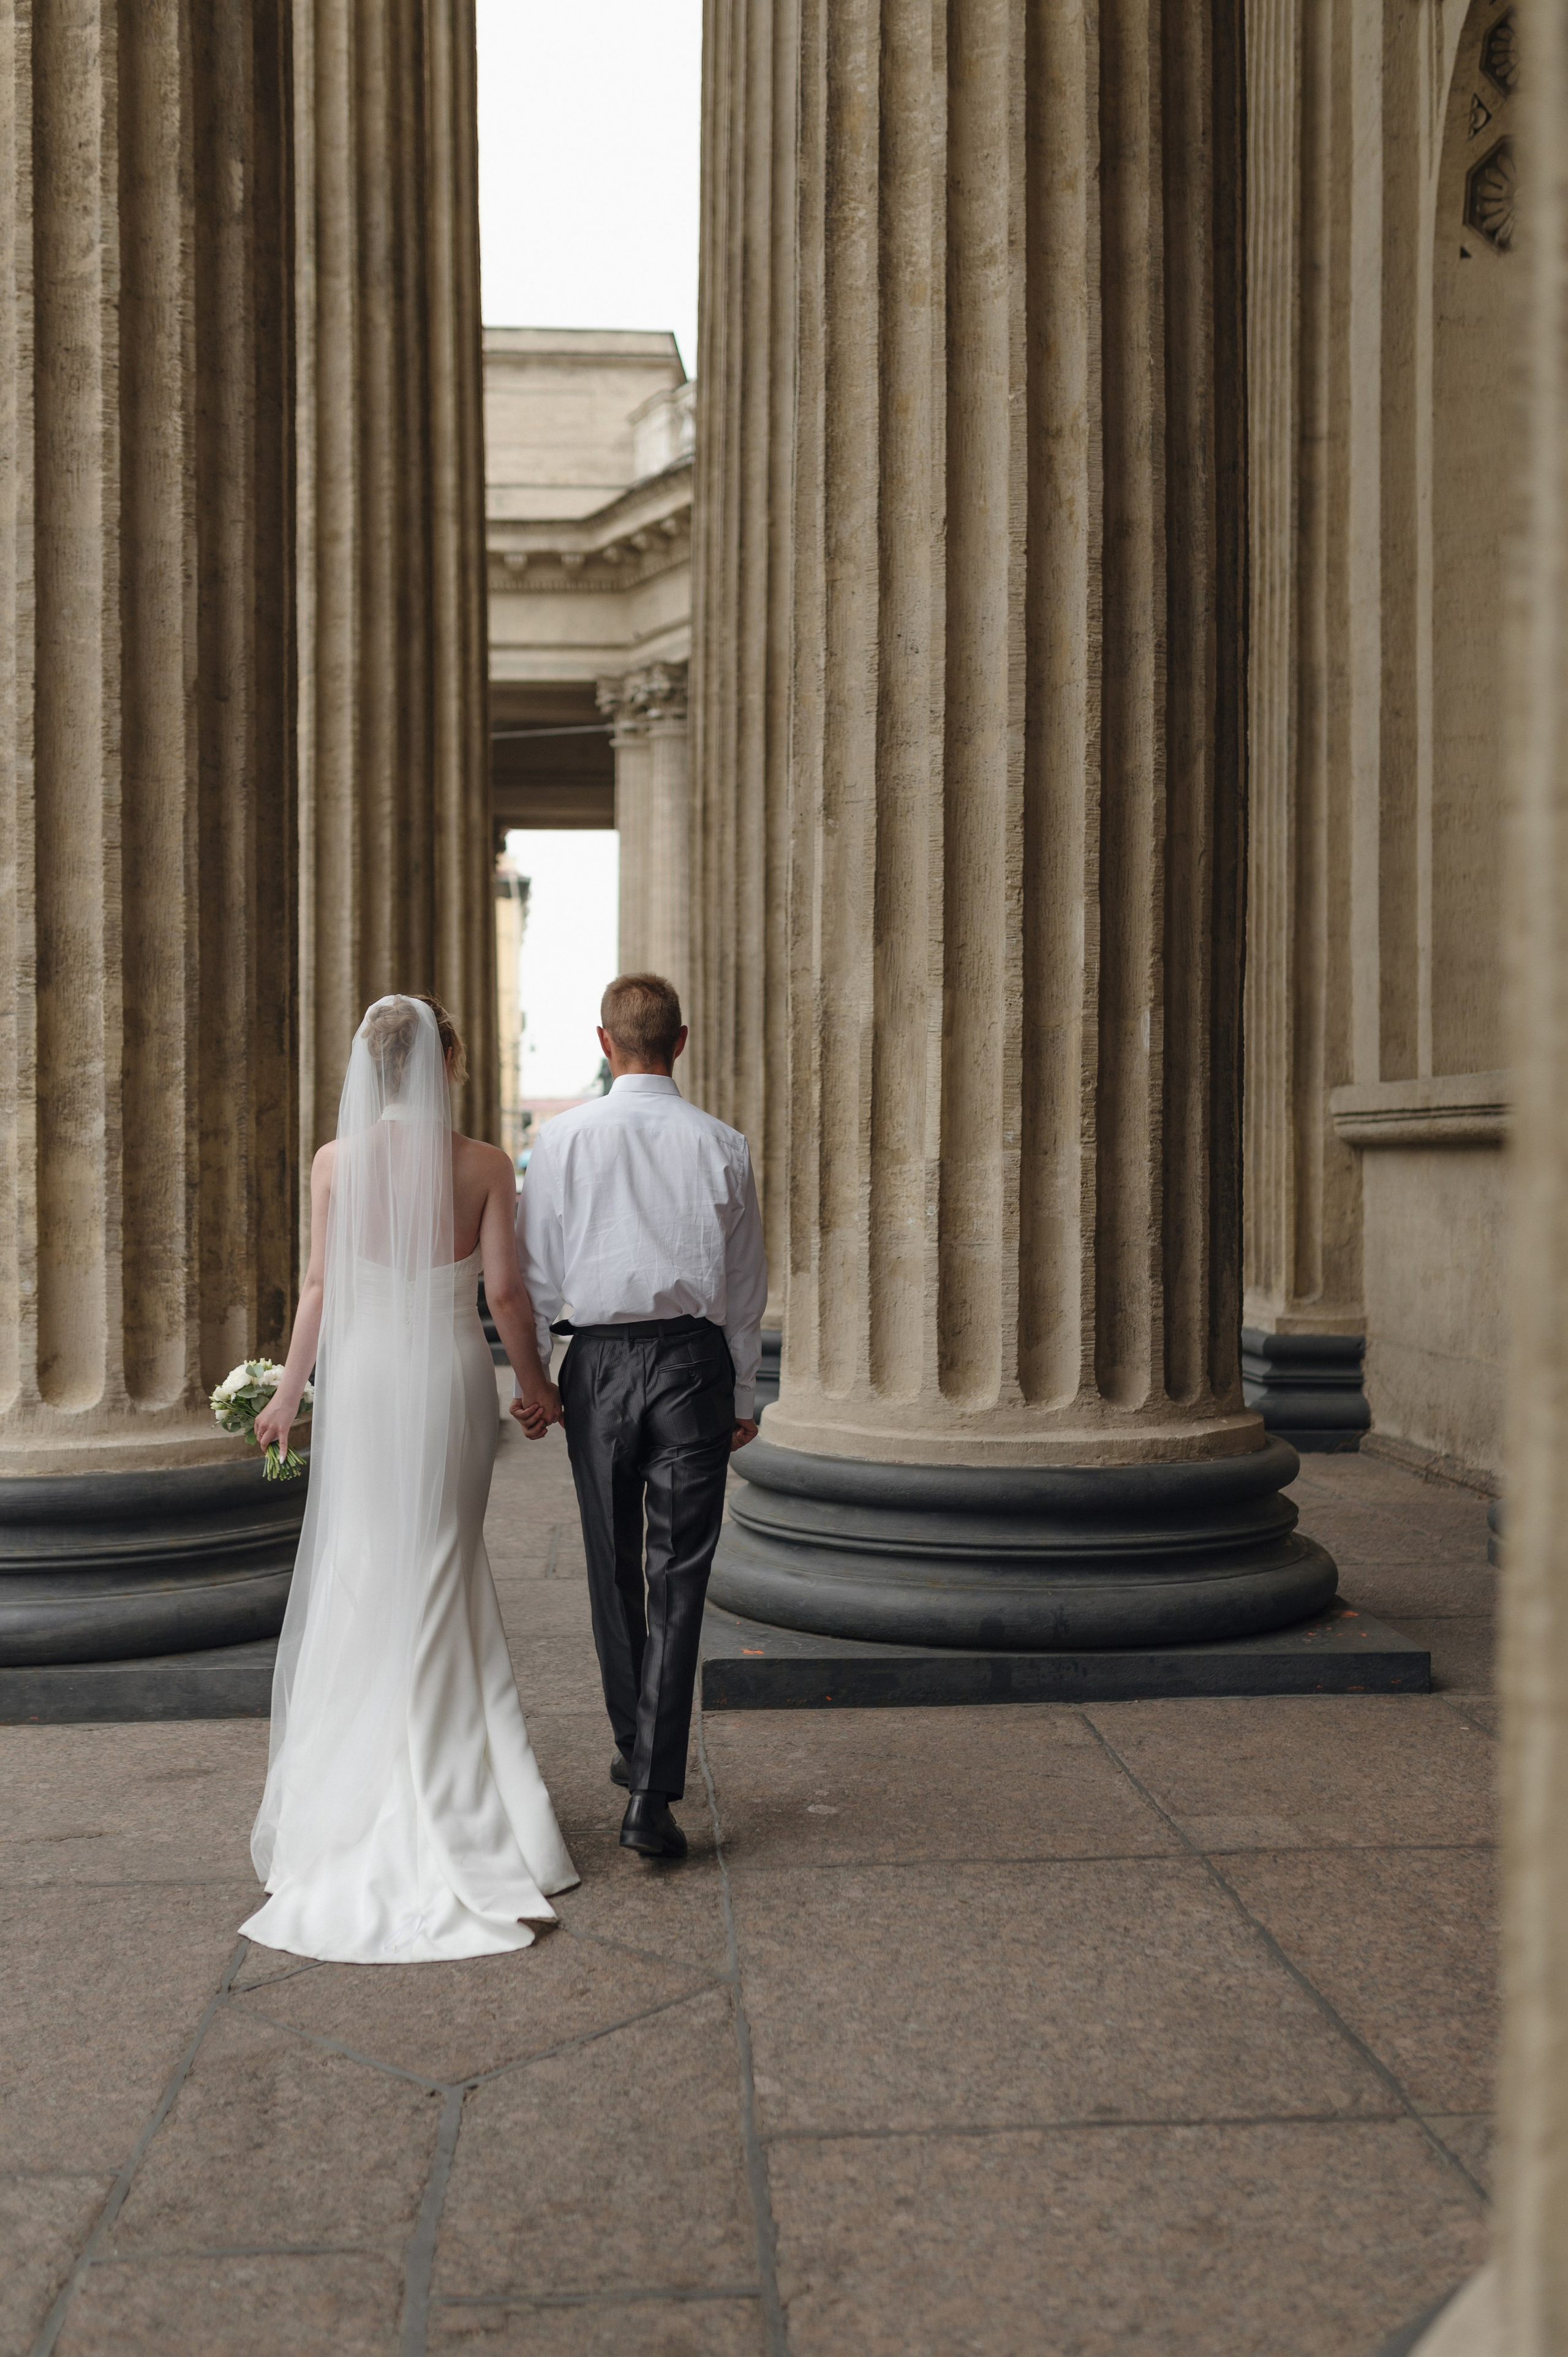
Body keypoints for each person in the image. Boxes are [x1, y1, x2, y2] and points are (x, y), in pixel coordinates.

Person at [241, 994, 577, 1963]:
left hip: (365, 1379)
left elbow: (317, 1289)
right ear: (450, 1060)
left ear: (368, 1069)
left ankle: (351, 1796)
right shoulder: (481, 1164)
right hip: (442, 1374)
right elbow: (506, 1293)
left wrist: (288, 1394)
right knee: (444, 1561)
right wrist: (539, 1387)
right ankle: (470, 1801)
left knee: (368, 1561)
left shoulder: (335, 1162)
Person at [516, 973, 767, 1860]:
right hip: (693, 1365)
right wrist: (741, 1392)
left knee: (612, 1567)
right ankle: (652, 1797)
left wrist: (540, 1379)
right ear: (682, 1041)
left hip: (600, 1366)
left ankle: (635, 1747)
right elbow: (743, 1290)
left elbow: (538, 1271)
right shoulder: (722, 1144)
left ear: (602, 1041)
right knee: (682, 1575)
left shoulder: (562, 1141)